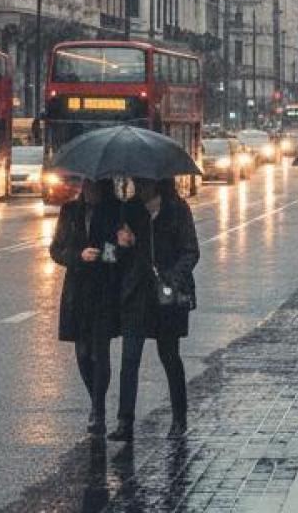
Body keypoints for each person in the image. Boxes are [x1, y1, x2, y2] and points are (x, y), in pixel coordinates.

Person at [109, 177, 199, 442]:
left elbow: (191, 251)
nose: (140, 186)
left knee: (169, 357)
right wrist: (121, 245)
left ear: (158, 183)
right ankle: (125, 422)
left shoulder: (177, 210)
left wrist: (171, 277)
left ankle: (179, 419)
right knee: (129, 358)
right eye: (138, 182)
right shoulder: (131, 210)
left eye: (145, 183)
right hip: (137, 294)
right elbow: (115, 256)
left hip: (166, 296)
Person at [49, 179, 125, 435]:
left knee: (99, 352)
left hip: (104, 290)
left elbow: (120, 250)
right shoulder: (70, 211)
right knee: (82, 353)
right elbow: (57, 249)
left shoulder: (115, 210)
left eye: (95, 186)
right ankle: (95, 400)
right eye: (87, 185)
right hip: (77, 291)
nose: (90, 189)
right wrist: (79, 255)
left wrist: (103, 254)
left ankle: (98, 409)